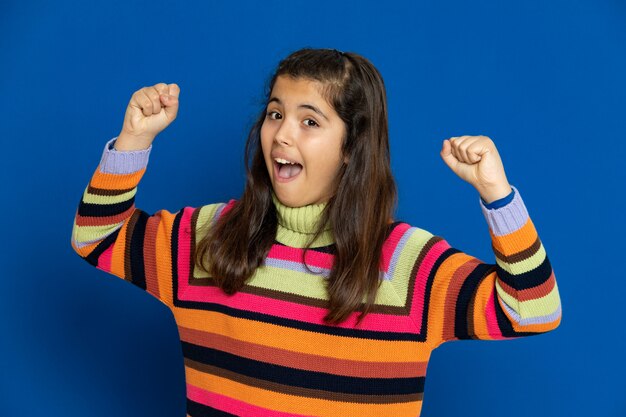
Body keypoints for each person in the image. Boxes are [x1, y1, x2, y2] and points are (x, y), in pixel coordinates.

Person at [71, 47, 562, 417]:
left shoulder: (405, 263)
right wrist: (134, 139)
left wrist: (498, 196)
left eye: (310, 121)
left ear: (351, 147)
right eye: (276, 113)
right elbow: (96, 238)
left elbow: (534, 311)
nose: (283, 134)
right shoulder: (209, 239)